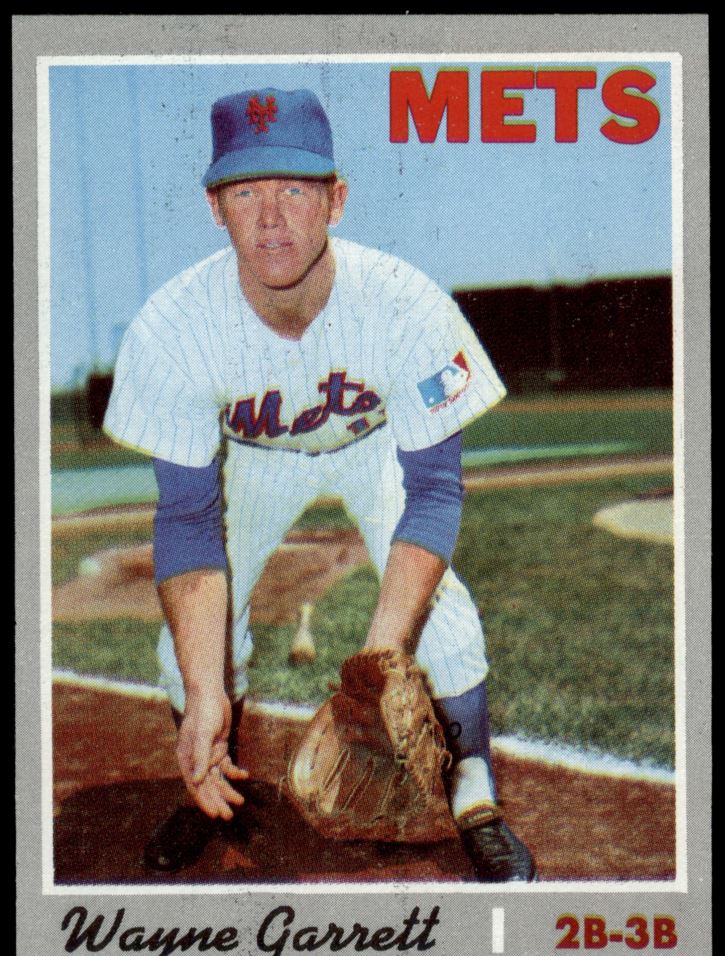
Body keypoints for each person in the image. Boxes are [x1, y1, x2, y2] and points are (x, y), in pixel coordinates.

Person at [104, 87, 536, 882]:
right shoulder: (172, 330)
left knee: (441, 617)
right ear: (214, 208)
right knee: (191, 644)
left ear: (336, 200)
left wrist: (380, 655)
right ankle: (211, 784)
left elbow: (434, 490)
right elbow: (188, 520)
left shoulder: (406, 304)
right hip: (251, 459)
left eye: (294, 190)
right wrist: (205, 690)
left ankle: (474, 797)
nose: (271, 218)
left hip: (375, 445)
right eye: (246, 192)